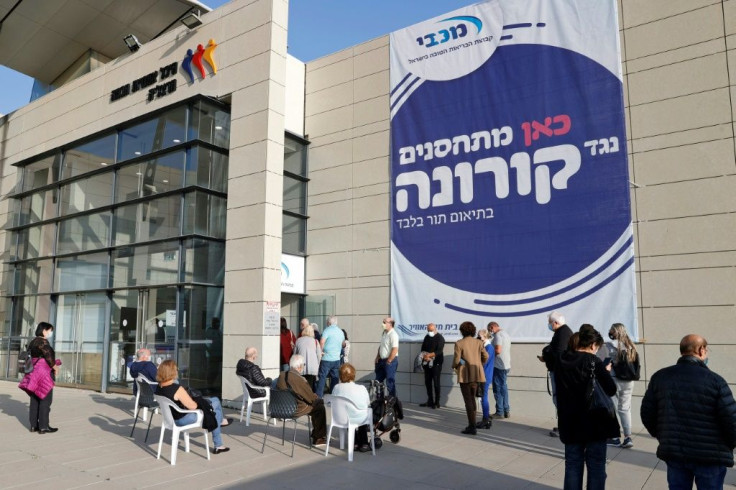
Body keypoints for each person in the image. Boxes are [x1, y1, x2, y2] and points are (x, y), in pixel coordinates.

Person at [641, 334, 736, 490]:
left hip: (675, 453)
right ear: (701, 350)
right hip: (710, 457)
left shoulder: (660, 377)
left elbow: (647, 413)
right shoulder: (715, 381)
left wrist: (663, 436)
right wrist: (730, 444)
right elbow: (731, 420)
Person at [555, 325, 619, 490]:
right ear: (592, 345)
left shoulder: (561, 361)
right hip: (594, 421)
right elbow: (611, 389)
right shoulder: (593, 361)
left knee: (572, 464)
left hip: (569, 420)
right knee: (596, 465)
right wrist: (605, 371)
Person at [156, 359, 231, 454]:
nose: (177, 371)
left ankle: (219, 442)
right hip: (182, 419)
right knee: (215, 402)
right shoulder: (176, 389)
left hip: (169, 419)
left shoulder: (159, 388)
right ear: (172, 372)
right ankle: (219, 430)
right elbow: (193, 406)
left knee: (214, 410)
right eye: (176, 369)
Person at [603, 323, 640, 448]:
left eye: (611, 330)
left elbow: (604, 362)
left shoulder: (610, 346)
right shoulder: (631, 346)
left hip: (615, 380)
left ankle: (614, 437)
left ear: (615, 332)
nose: (609, 332)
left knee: (611, 408)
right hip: (629, 381)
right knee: (625, 409)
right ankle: (628, 437)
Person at [277, 354, 327, 446]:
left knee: (316, 404)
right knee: (319, 406)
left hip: (280, 409)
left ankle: (317, 435)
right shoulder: (299, 379)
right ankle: (319, 438)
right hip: (295, 409)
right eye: (304, 365)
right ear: (299, 367)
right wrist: (315, 397)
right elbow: (311, 398)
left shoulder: (281, 375)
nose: (304, 367)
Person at [22, 322, 60, 434]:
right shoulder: (43, 342)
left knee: (34, 399)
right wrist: (55, 367)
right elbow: (48, 355)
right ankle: (44, 426)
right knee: (45, 399)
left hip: (32, 371)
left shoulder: (33, 342)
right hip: (43, 372)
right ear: (44, 331)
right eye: (49, 330)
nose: (50, 333)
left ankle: (34, 426)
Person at [539, 310, 573, 437]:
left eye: (550, 323)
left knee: (560, 400)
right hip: (558, 371)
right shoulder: (562, 332)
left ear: (556, 323)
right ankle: (563, 425)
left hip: (559, 372)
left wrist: (546, 354)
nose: (549, 325)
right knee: (559, 399)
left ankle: (564, 427)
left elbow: (559, 354)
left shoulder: (563, 333)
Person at [452, 321, 488, 435]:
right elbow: (486, 356)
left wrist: (453, 366)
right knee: (473, 399)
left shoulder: (459, 343)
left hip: (465, 375)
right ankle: (472, 424)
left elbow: (457, 360)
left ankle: (472, 426)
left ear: (462, 331)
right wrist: (479, 364)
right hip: (476, 374)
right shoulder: (478, 342)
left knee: (469, 401)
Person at [331, 363, 374, 453]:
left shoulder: (336, 387)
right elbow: (367, 403)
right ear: (353, 375)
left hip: (342, 419)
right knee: (362, 412)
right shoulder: (361, 388)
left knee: (347, 412)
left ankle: (354, 443)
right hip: (359, 418)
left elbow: (332, 403)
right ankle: (364, 443)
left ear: (340, 375)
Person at [316, 316, 345, 397]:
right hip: (336, 359)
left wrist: (320, 352)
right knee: (335, 377)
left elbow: (322, 342)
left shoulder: (327, 330)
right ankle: (333, 395)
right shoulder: (340, 331)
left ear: (329, 323)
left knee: (322, 377)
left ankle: (319, 396)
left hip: (326, 358)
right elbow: (343, 344)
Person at [419, 323, 445, 409]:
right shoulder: (427, 337)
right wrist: (424, 356)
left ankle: (437, 402)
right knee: (427, 382)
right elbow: (422, 349)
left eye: (431, 330)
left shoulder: (440, 338)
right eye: (428, 330)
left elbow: (439, 351)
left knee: (436, 383)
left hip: (436, 363)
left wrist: (429, 356)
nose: (429, 332)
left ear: (435, 329)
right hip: (427, 363)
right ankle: (430, 400)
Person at [490, 321, 511, 418]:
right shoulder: (506, 334)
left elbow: (498, 350)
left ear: (492, 327)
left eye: (489, 329)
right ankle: (506, 410)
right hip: (506, 365)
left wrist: (488, 353)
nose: (490, 332)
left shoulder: (498, 335)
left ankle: (499, 412)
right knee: (504, 388)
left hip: (498, 366)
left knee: (497, 388)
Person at [375, 317, 399, 398]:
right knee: (378, 381)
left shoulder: (393, 334)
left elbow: (395, 349)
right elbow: (381, 346)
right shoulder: (384, 333)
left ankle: (392, 400)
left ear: (390, 324)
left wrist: (389, 360)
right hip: (381, 360)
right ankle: (380, 400)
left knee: (390, 381)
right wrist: (377, 356)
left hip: (390, 361)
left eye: (385, 322)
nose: (383, 324)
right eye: (383, 322)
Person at [476, 328, 495, 429]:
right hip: (484, 374)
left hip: (485, 375)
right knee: (483, 397)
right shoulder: (486, 347)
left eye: (479, 336)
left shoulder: (488, 348)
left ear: (484, 336)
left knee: (484, 397)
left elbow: (484, 361)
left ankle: (486, 419)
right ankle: (485, 418)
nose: (478, 338)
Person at [294, 324, 322, 391]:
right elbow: (319, 356)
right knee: (310, 386)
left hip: (300, 367)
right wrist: (318, 365)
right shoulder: (315, 341)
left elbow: (295, 354)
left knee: (301, 387)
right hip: (312, 367)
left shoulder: (298, 340)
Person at [204, 317, 223, 385]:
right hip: (211, 355)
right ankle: (208, 385)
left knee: (216, 371)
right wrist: (209, 351)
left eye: (218, 323)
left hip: (218, 354)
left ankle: (212, 385)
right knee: (211, 371)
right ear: (213, 323)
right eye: (216, 323)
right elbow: (205, 343)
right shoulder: (209, 331)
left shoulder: (219, 331)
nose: (218, 324)